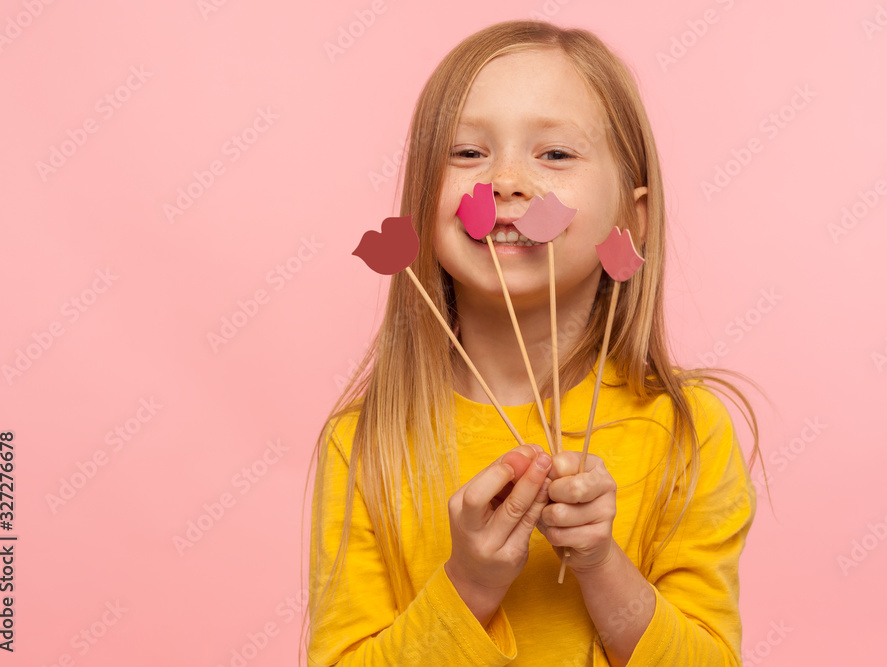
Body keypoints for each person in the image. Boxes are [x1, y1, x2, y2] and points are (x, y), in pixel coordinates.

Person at [307, 19, 766, 667]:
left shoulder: (687, 430)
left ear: (632, 215)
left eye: (554, 154)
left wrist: (602, 564)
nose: (507, 182)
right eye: (467, 153)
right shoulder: (367, 443)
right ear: (419, 202)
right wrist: (470, 583)